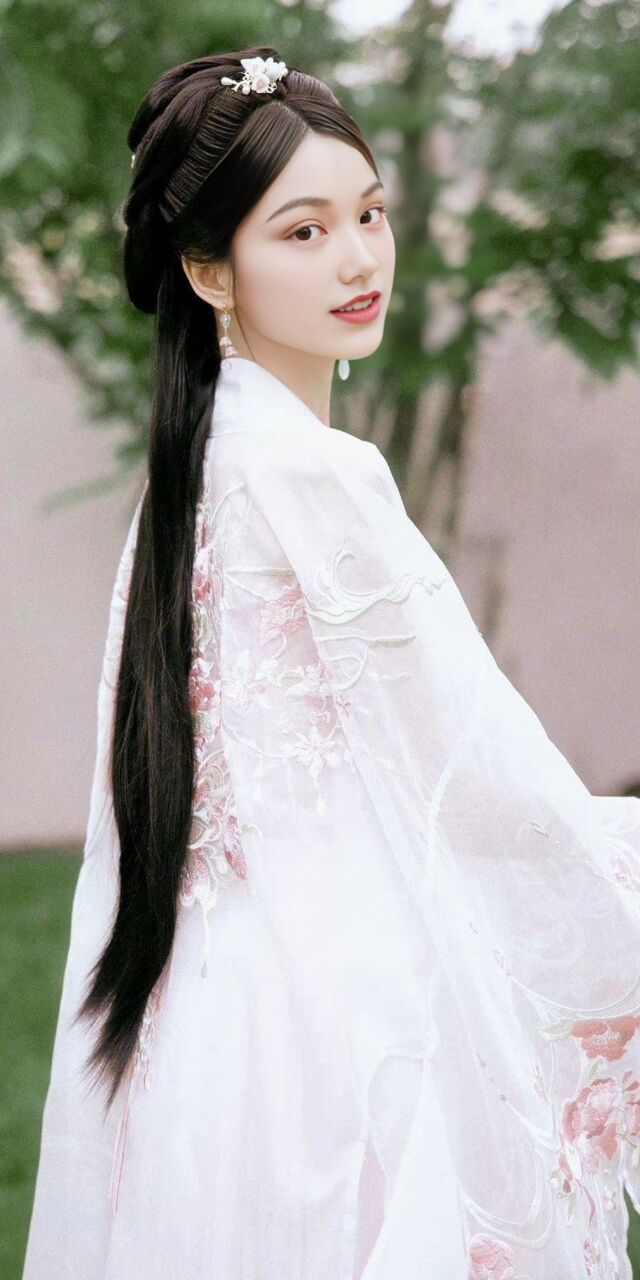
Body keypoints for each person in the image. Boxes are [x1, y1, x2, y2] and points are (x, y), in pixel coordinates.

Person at [22, 48, 640, 1280]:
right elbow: (469, 765)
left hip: (202, 1015)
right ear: (209, 270)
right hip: (343, 1016)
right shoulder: (312, 470)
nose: (358, 259)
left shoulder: (198, 464)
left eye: (368, 213)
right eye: (303, 231)